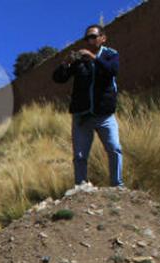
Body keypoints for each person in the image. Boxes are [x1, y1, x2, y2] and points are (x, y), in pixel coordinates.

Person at [52, 24, 123, 187]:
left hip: (104, 114)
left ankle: (117, 185)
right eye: (87, 38)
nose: (89, 41)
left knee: (114, 149)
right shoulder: (79, 61)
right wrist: (66, 63)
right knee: (80, 155)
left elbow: (112, 71)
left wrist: (93, 57)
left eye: (93, 37)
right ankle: (81, 187)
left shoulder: (110, 55)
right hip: (81, 115)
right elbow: (58, 78)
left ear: (102, 38)